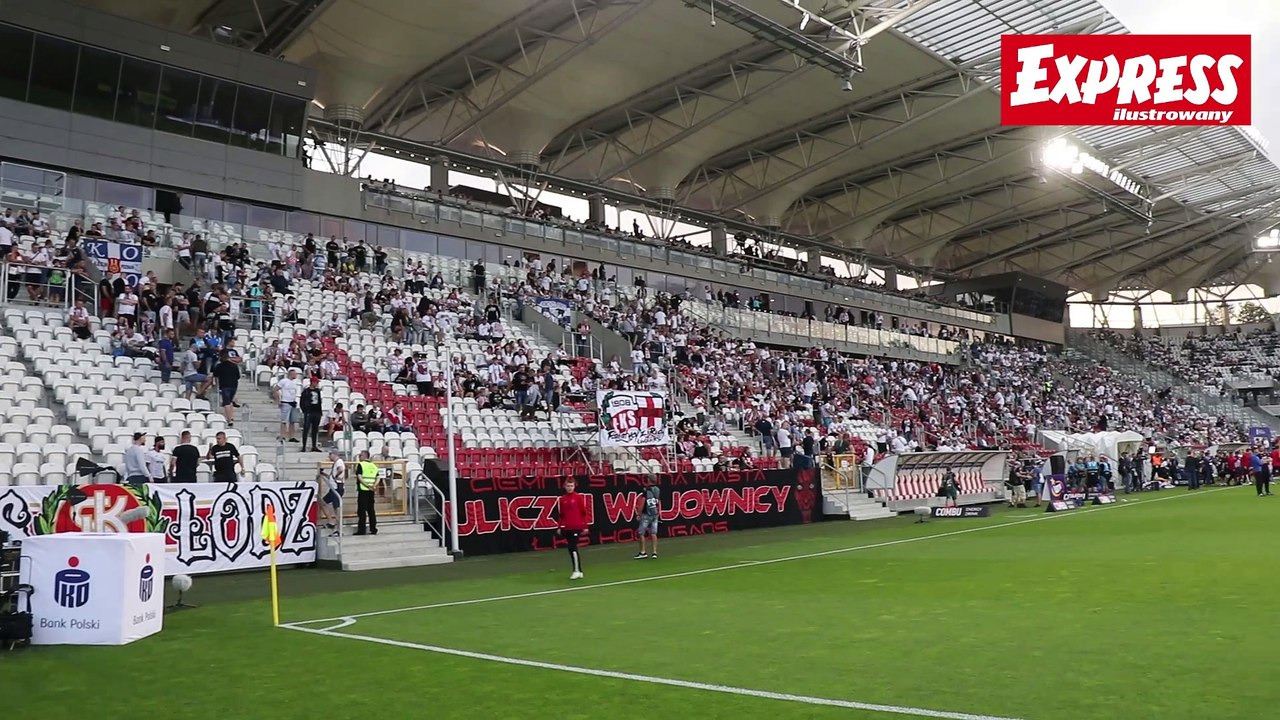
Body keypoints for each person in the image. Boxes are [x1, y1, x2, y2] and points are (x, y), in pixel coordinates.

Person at [557, 477, 590, 580]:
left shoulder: (578, 497)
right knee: (570, 548)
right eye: (568, 486)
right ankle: (578, 570)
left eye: (571, 486)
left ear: (574, 486)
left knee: (573, 547)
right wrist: (559, 526)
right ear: (565, 487)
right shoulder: (562, 499)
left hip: (577, 526)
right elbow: (561, 514)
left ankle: (577, 570)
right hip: (567, 527)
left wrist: (585, 526)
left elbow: (583, 512)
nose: (570, 488)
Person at [634, 474, 660, 560]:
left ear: (649, 480)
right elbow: (658, 501)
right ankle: (654, 552)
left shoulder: (646, 490)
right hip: (655, 513)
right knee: (654, 533)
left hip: (647, 514)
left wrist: (638, 513)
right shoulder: (657, 489)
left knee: (641, 533)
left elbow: (643, 502)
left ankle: (643, 552)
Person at [354, 450, 379, 536]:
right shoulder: (373, 465)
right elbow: (378, 477)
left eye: (360, 456)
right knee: (371, 510)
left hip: (363, 489)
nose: (359, 457)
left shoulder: (361, 465)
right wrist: (374, 486)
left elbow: (359, 477)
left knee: (362, 510)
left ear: (364, 456)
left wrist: (367, 485)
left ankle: (362, 530)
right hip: (371, 490)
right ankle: (373, 528)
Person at [275, 368, 302, 443]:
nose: (296, 375)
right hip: (285, 402)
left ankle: (292, 436)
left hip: (293, 402)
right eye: (294, 374)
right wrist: (278, 400)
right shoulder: (283, 381)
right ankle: (282, 435)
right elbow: (275, 389)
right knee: (284, 421)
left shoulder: (295, 382)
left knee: (292, 421)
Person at [300, 376, 324, 452]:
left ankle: (314, 446)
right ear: (312, 382)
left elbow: (319, 401)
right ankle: (304, 446)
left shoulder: (318, 391)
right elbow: (302, 402)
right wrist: (305, 410)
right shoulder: (306, 391)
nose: (317, 384)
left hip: (317, 412)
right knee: (306, 429)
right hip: (309, 412)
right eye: (316, 382)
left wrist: (320, 412)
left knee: (315, 430)